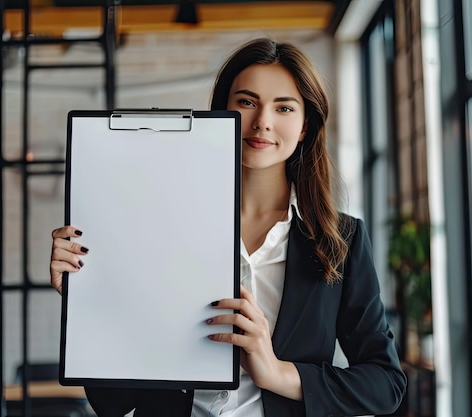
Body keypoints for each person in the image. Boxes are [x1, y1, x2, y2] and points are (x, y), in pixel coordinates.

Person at [50, 38, 406, 417]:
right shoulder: (156, 228)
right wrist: (85, 303)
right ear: (222, 112)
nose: (262, 122)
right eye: (247, 102)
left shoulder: (342, 241)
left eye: (283, 107)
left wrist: (277, 373)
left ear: (305, 126)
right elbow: (112, 401)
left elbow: (386, 384)